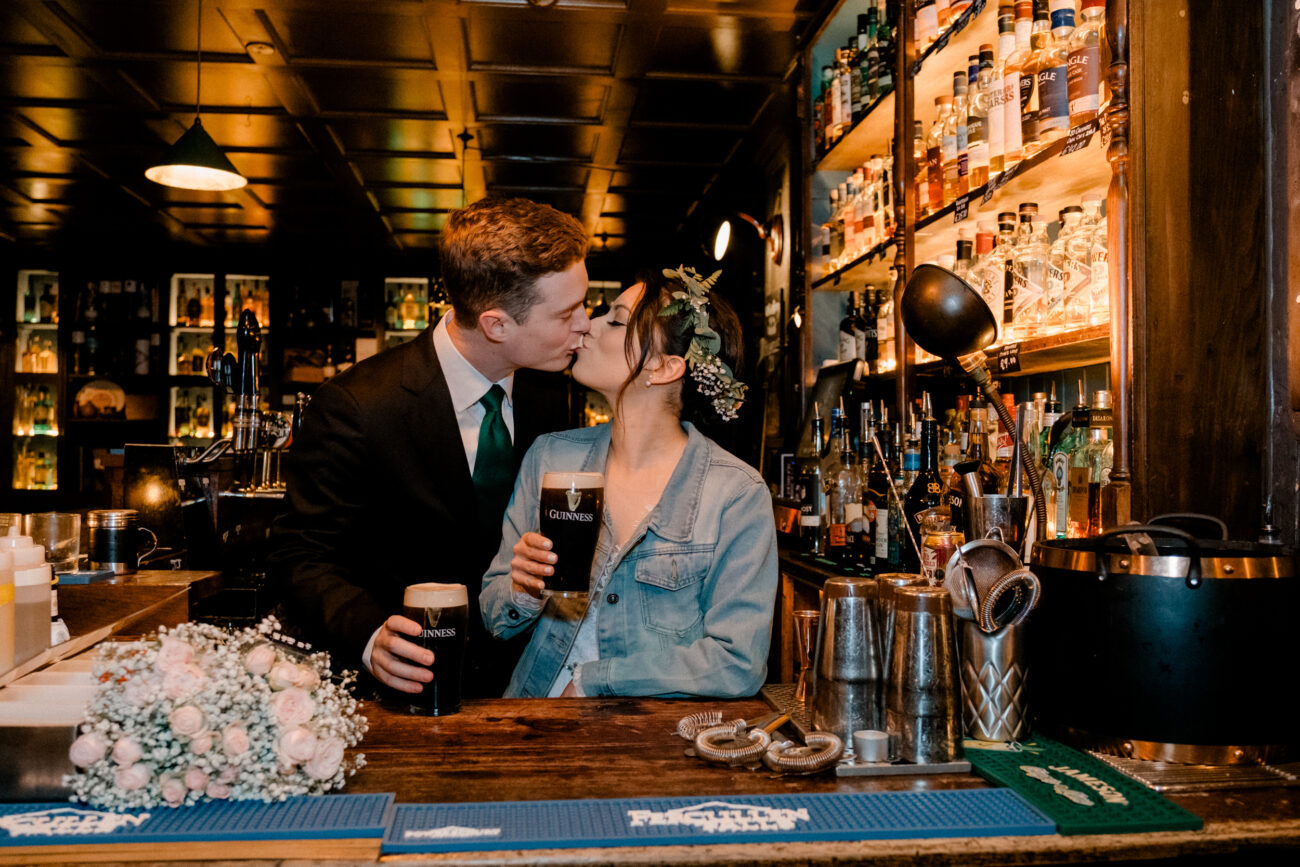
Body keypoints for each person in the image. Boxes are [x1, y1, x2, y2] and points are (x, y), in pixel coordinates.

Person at [271, 197, 590, 698]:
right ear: (496, 324)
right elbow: (300, 554)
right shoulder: (358, 405)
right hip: (404, 689)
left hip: (523, 688)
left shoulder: (551, 392)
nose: (585, 324)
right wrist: (370, 635)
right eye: (569, 312)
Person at [479, 266, 779, 698]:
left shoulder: (735, 494)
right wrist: (523, 589)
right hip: (535, 721)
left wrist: (595, 681)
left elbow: (737, 662)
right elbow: (493, 616)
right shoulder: (550, 457)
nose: (586, 324)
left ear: (663, 366)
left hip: (652, 743)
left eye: (615, 320)